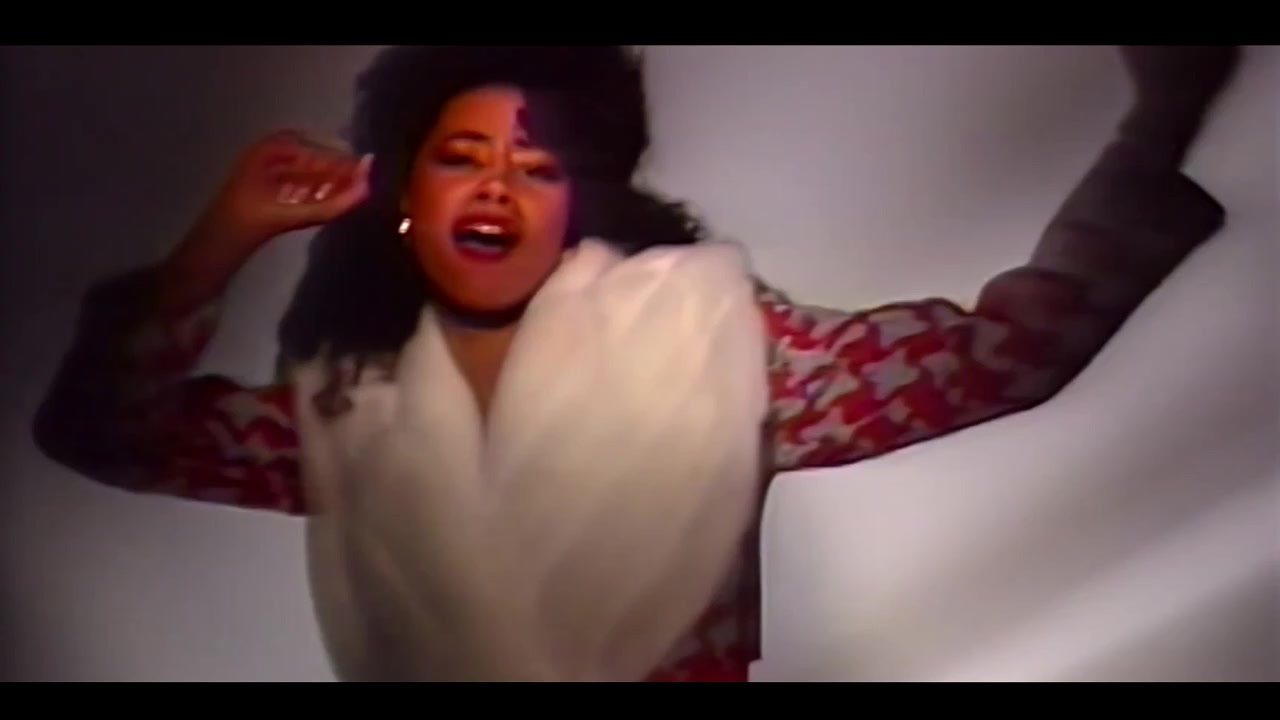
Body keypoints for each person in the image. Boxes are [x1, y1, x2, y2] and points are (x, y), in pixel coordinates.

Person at [33, 45, 1241, 682]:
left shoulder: (711, 345)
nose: (498, 186)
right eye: (462, 156)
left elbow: (1001, 357)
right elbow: (107, 433)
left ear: (580, 202)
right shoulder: (348, 411)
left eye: (538, 165)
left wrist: (1159, 122)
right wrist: (220, 240)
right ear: (404, 197)